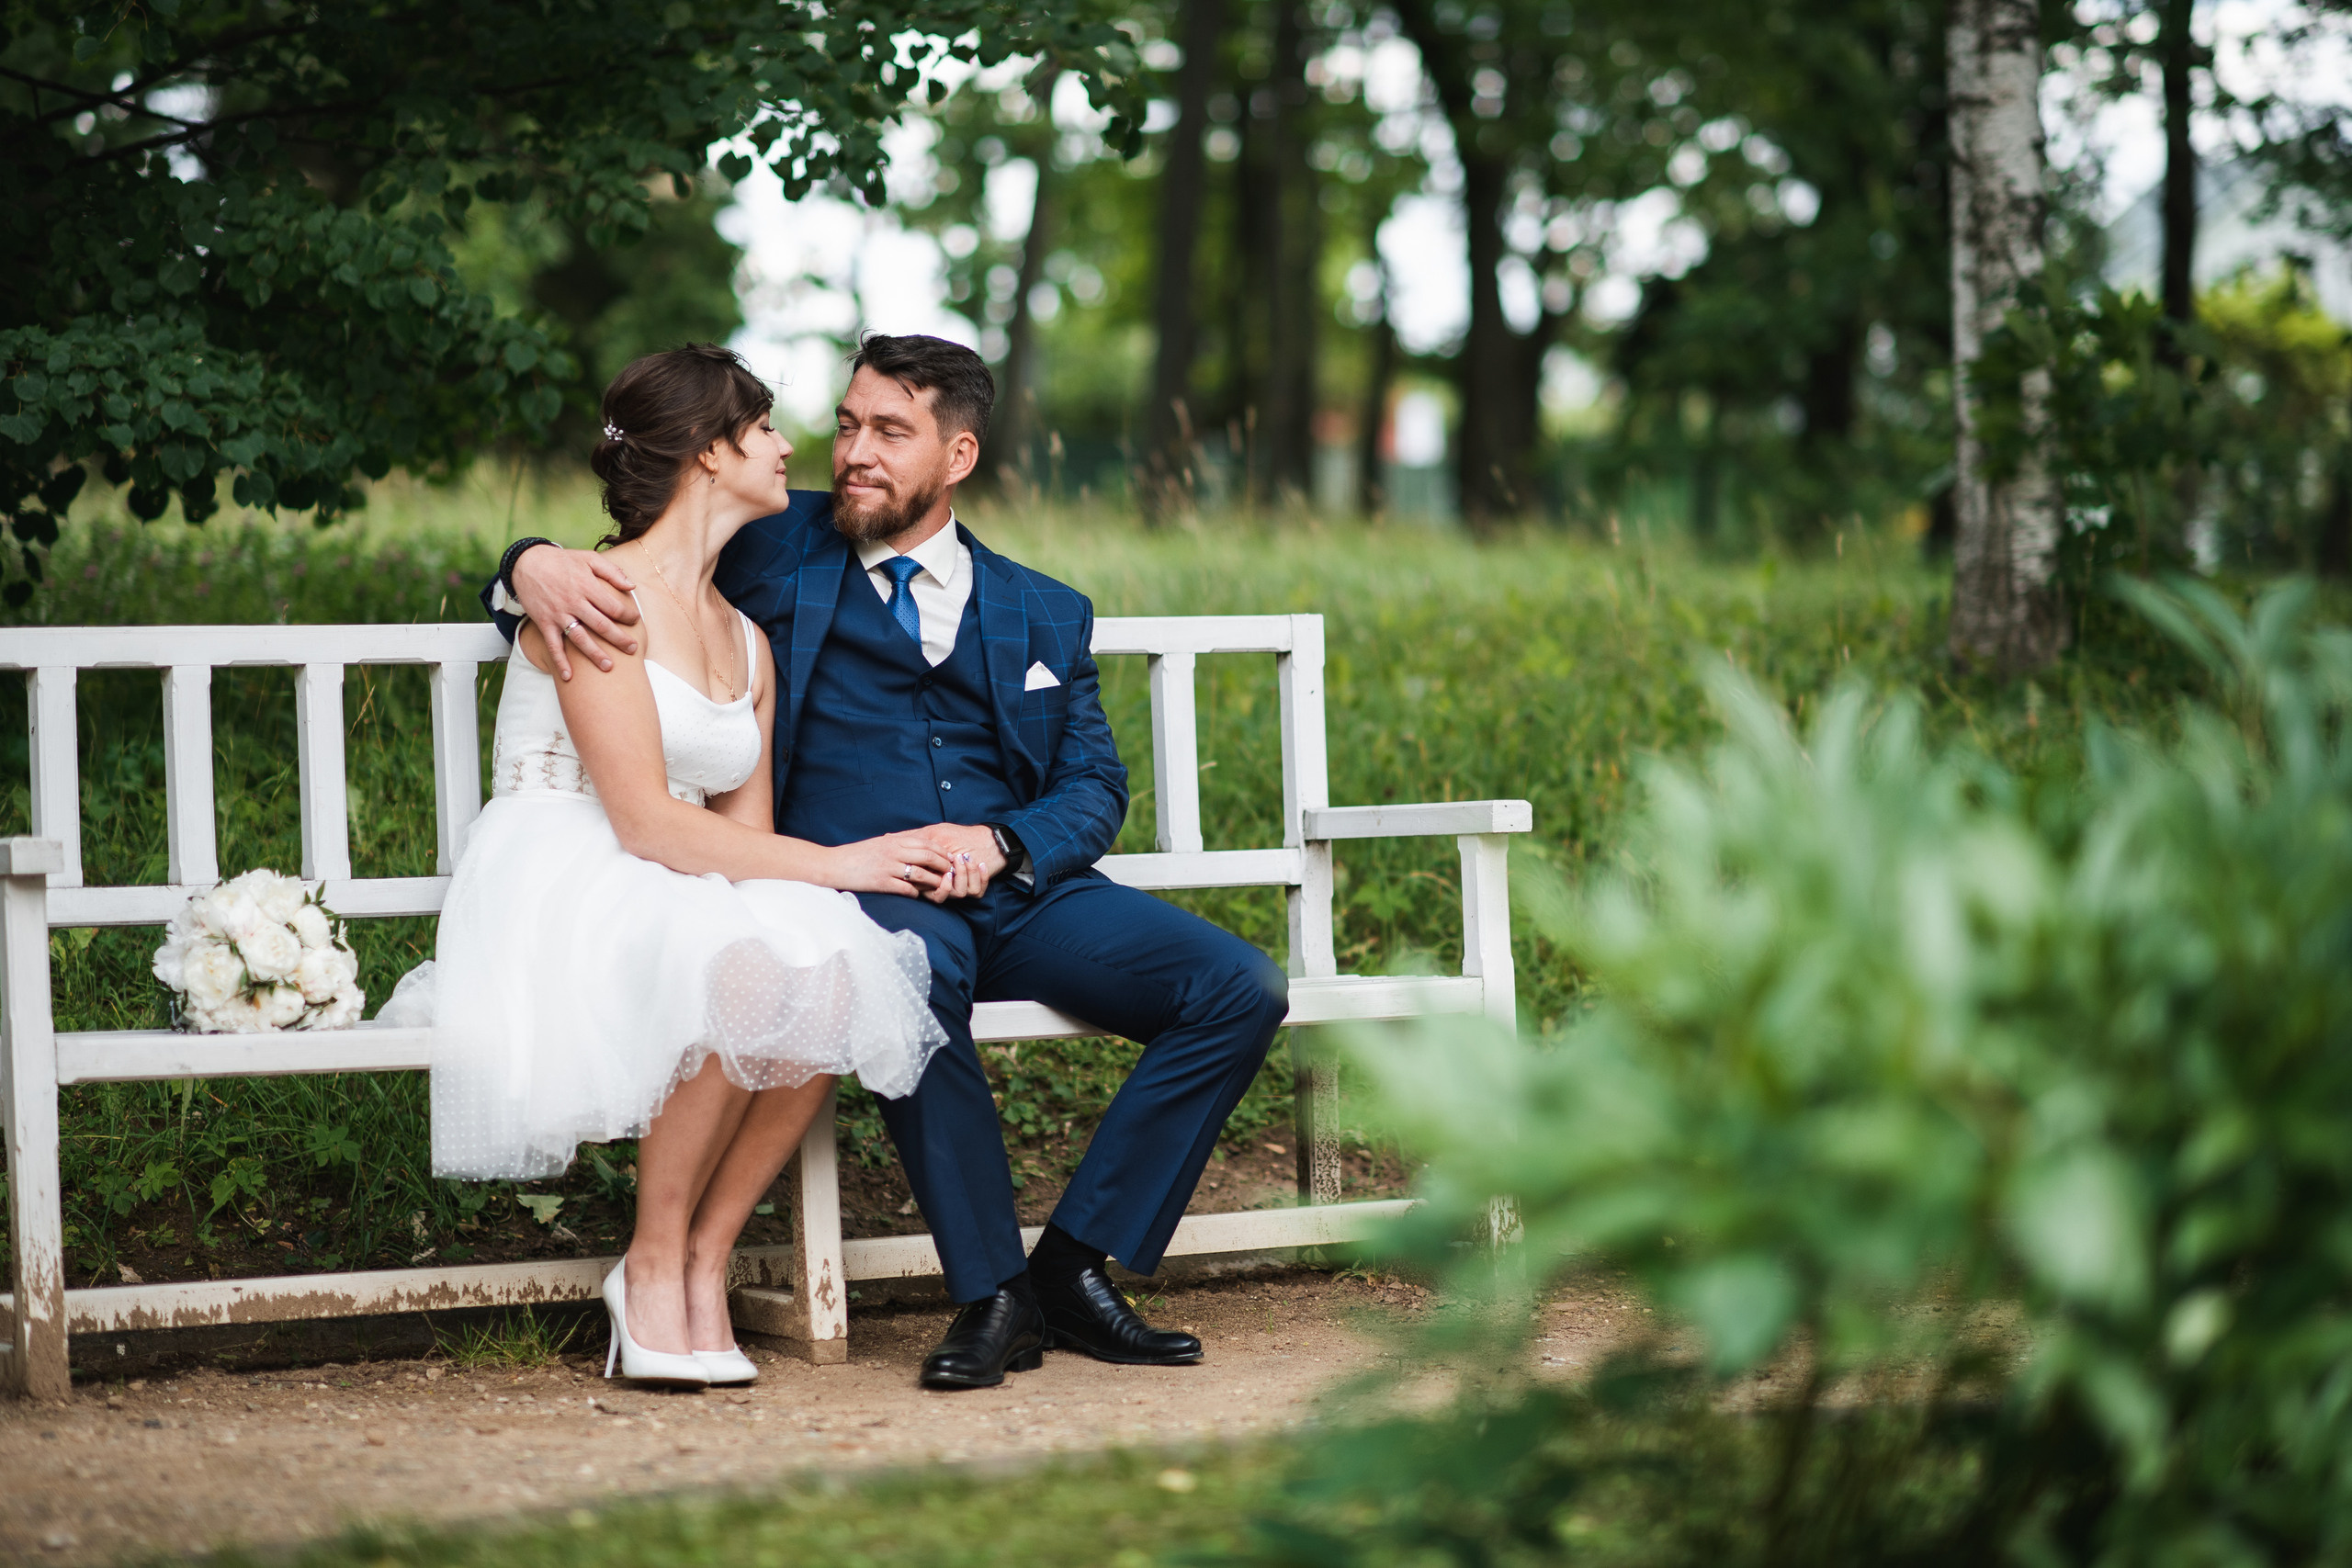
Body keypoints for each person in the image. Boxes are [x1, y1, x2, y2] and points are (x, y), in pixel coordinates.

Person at [487, 333, 1291, 1393]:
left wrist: (1004, 844)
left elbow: (1093, 790)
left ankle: (1071, 1264)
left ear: (956, 456)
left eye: (890, 433)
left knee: (1237, 988)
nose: (853, 453)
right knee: (906, 973)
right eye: (848, 423)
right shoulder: (780, 547)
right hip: (857, 887)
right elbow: (635, 540)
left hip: (1012, 889)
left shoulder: (1045, 608)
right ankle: (992, 1292)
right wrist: (524, 563)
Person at [408, 344, 964, 1388]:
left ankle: (704, 1259)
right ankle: (651, 1259)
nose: (791, 447)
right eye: (763, 430)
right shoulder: (591, 596)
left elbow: (742, 839)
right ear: (710, 453)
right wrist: (847, 861)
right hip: (572, 859)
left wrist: (816, 886)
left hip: (679, 864)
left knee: (833, 965)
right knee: (738, 961)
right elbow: (647, 824)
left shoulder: (746, 639)